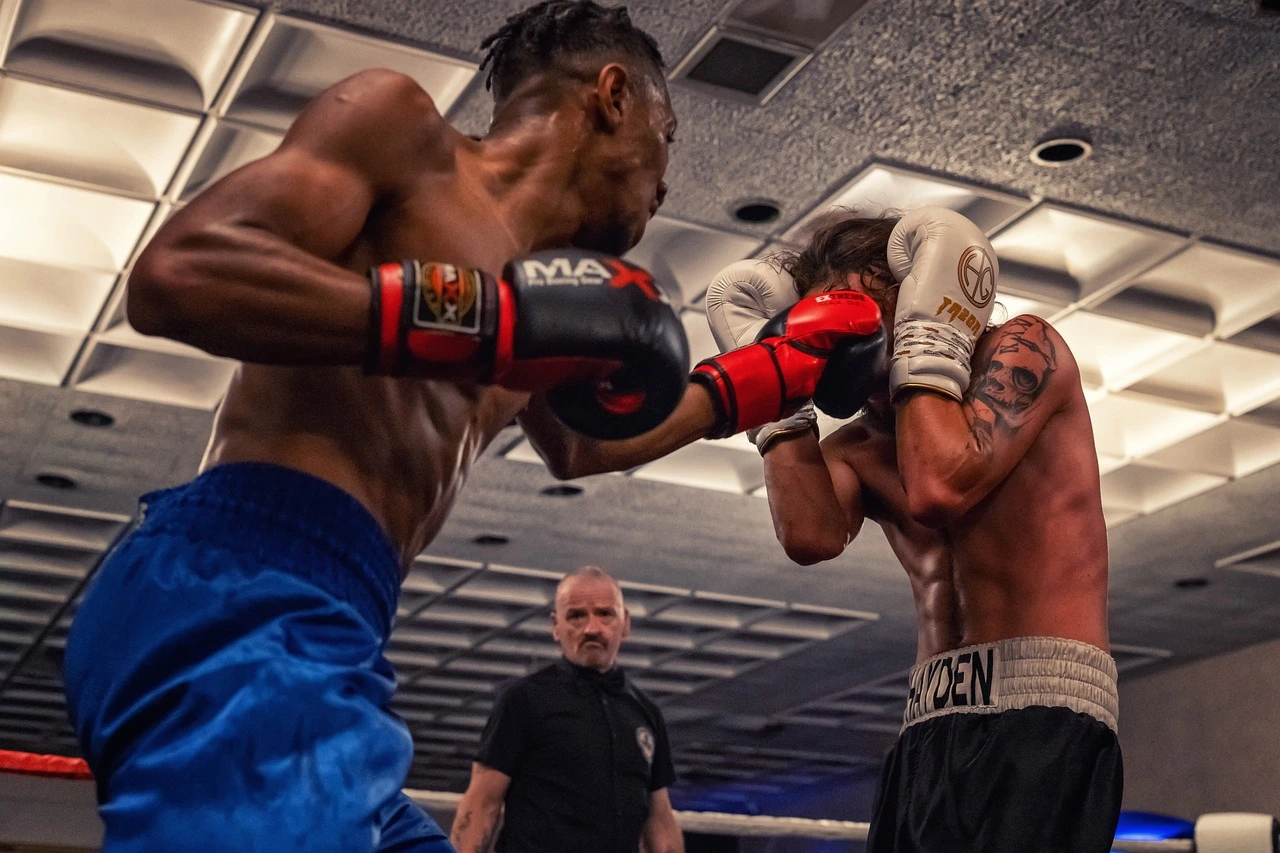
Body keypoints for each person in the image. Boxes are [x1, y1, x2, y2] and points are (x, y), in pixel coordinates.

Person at [61, 0, 884, 848]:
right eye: (666, 134)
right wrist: (484, 321)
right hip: (242, 586)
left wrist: (762, 377)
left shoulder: (548, 286)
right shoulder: (403, 132)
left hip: (337, 616)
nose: (665, 180)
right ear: (614, 96)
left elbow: (581, 443)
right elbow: (181, 272)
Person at [720, 208, 1124, 853]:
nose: (845, 332)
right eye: (826, 321)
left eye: (858, 309)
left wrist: (926, 346)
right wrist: (777, 403)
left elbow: (940, 486)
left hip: (1043, 712)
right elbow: (809, 537)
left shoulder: (1024, 349)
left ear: (917, 291)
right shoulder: (860, 444)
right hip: (928, 721)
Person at [450, 567, 683, 853]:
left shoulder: (644, 711)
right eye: (576, 616)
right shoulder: (524, 699)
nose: (592, 628)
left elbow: (659, 817)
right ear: (555, 626)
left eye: (605, 614)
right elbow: (483, 801)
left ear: (625, 623)